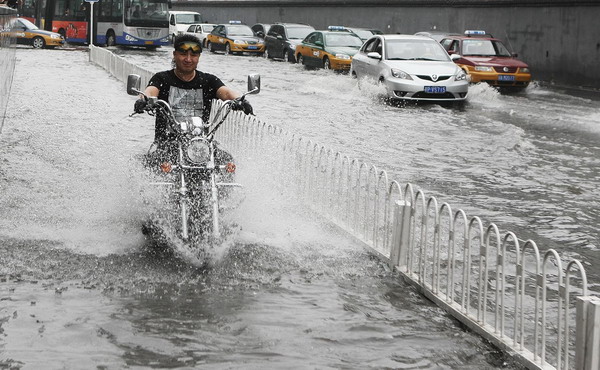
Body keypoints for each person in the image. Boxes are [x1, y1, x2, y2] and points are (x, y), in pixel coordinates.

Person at [134, 34, 253, 165]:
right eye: (183, 54)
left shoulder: (208, 81)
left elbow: (225, 92)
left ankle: (225, 186)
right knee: (153, 162)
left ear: (199, 57)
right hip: (166, 142)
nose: (188, 59)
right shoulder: (162, 78)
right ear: (174, 55)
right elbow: (151, 91)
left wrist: (240, 100)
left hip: (200, 144)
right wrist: (143, 100)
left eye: (193, 55)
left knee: (227, 162)